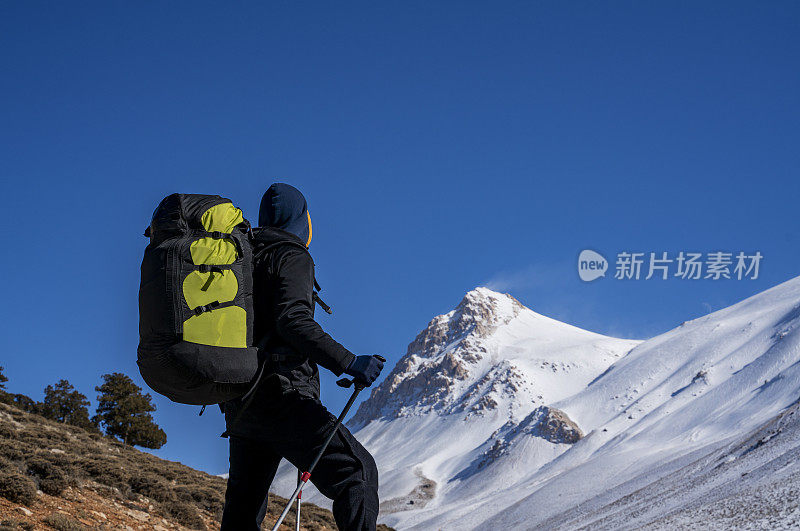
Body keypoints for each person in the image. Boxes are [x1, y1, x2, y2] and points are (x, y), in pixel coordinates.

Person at [221, 183, 384, 531]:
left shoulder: (243, 258)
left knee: (243, 509)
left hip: (242, 403)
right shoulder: (290, 254)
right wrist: (350, 362)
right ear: (301, 220)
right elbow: (292, 320)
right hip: (283, 396)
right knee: (357, 472)